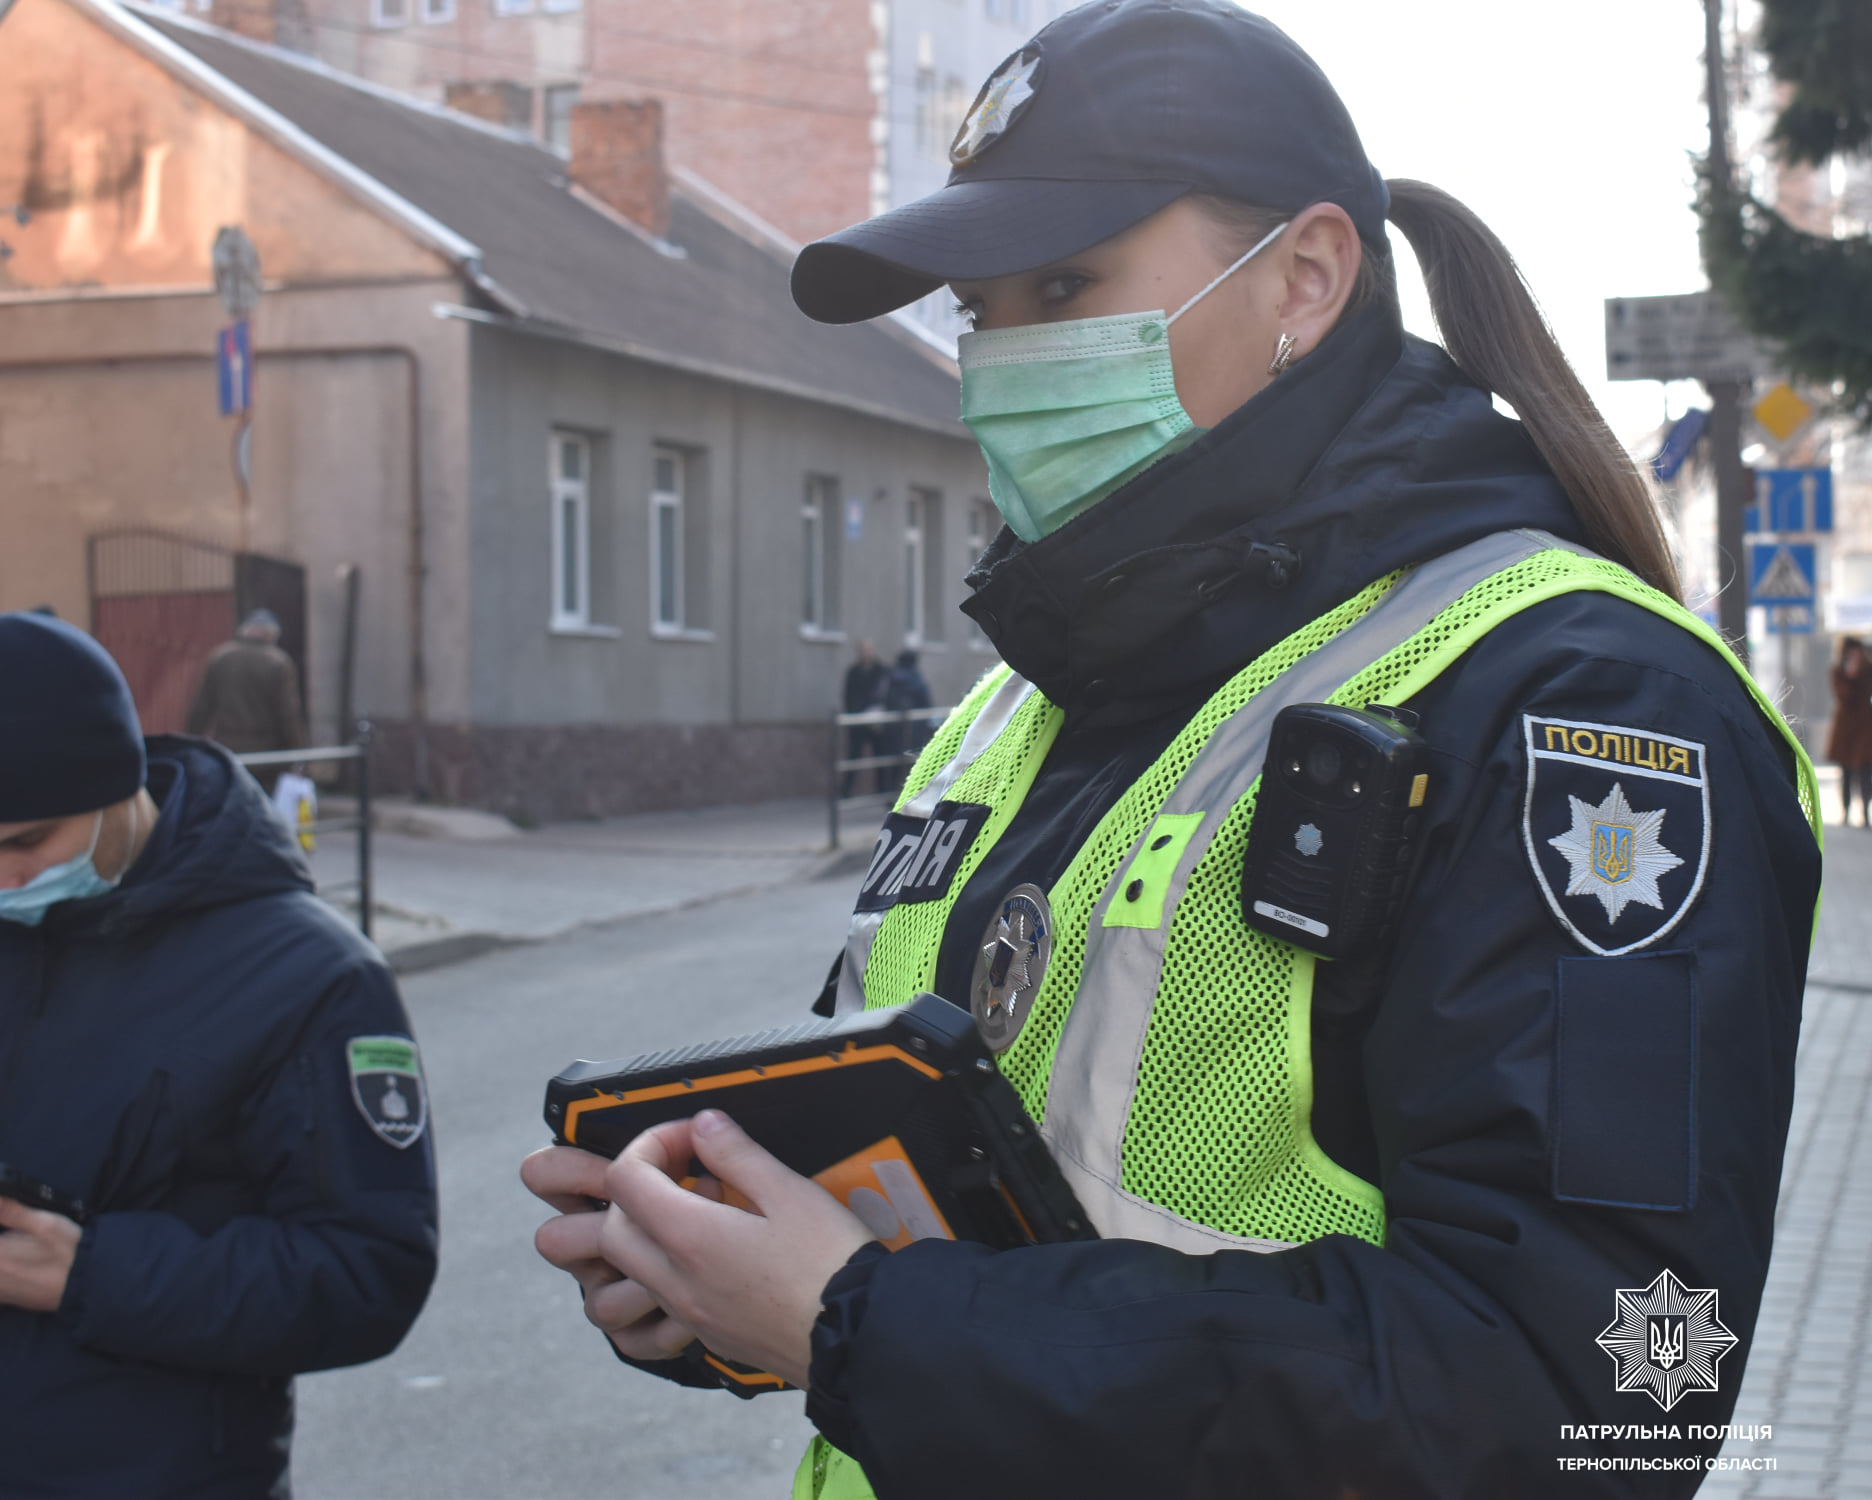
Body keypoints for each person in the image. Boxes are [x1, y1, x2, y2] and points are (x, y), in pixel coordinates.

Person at [523, 5, 1823, 1496]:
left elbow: (1586, 1401)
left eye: (1066, 284)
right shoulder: (1029, 698)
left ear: (1307, 277)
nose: (1004, 358)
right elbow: (1005, 1196)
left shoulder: (1580, 707)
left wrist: (862, 1323)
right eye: (978, 310)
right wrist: (722, 1283)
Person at [0, 612, 438, 1499]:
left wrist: (92, 1275)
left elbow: (369, 1272)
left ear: (120, 786)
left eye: (25, 844)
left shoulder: (314, 976)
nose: (2, 881)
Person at [187, 608, 308, 791]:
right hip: (267, 755)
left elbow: (201, 708)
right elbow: (288, 714)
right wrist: (298, 753)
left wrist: (190, 742)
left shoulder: (220, 657)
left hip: (228, 750)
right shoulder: (279, 662)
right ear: (271, 635)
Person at [1827, 635, 1872, 825]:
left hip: (1864, 727)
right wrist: (1850, 676)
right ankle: (1845, 811)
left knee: (1865, 772)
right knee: (1845, 772)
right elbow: (1842, 695)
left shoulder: (1868, 669)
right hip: (1845, 728)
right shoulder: (1838, 671)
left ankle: (1866, 813)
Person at [877, 649, 933, 792]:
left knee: (892, 763)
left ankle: (888, 793)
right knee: (911, 763)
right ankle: (907, 794)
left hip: (892, 729)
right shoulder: (916, 678)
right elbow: (926, 702)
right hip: (913, 729)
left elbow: (883, 699)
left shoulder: (891, 677)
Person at [840, 640, 890, 796]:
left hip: (877, 723)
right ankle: (846, 792)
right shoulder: (854, 672)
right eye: (863, 650)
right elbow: (848, 696)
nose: (867, 653)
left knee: (881, 757)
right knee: (854, 757)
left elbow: (886, 693)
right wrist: (856, 714)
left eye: (869, 650)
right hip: (858, 722)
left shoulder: (881, 671)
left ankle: (883, 792)